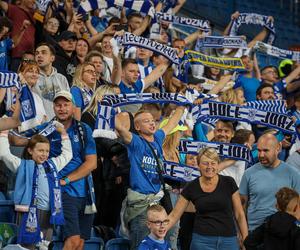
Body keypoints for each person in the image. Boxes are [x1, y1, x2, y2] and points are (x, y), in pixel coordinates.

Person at [115, 105, 186, 249]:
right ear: (137, 127)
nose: (152, 123)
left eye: (153, 120)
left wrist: (181, 107)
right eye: (146, 121)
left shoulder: (158, 138)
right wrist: (109, 110)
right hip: (141, 207)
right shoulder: (136, 142)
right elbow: (121, 129)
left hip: (158, 205)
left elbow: (172, 123)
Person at [0, 122, 72, 249]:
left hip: (48, 213)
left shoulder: (53, 164)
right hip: (29, 212)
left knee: (44, 246)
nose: (44, 154)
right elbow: (4, 154)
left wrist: (63, 134)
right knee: (27, 247)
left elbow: (67, 155)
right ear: (30, 150)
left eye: (47, 151)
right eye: (40, 150)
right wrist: (4, 132)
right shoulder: (22, 165)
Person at [166, 147, 248, 250]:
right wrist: (160, 229)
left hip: (228, 240)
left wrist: (246, 239)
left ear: (218, 164)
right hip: (202, 241)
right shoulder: (191, 186)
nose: (209, 167)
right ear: (199, 165)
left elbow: (239, 214)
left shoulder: (229, 182)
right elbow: (174, 215)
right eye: (205, 163)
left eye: (213, 163)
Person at [239, 133, 300, 232]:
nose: (261, 155)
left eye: (266, 150)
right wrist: (242, 234)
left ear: (278, 148)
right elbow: (241, 208)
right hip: (254, 234)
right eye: (259, 150)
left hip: (284, 235)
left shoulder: (294, 174)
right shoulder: (248, 173)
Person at [34, 42, 70, 120]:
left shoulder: (62, 79)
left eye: (44, 53)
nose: (39, 55)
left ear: (52, 58)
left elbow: (69, 103)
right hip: (40, 126)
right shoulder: (33, 78)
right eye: (37, 53)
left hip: (61, 124)